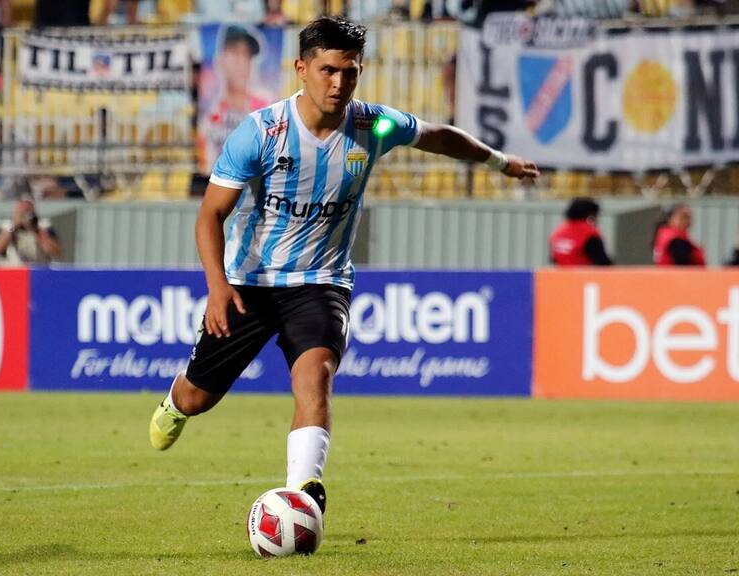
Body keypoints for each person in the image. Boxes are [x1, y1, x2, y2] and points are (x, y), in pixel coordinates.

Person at [149, 15, 539, 514]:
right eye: (329, 70)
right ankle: (173, 404)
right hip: (251, 281)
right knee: (198, 398)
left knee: (316, 376)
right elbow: (210, 216)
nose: (339, 83)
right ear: (301, 69)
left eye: (350, 72)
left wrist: (499, 162)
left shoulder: (371, 126)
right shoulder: (262, 133)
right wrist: (217, 287)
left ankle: (302, 492)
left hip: (321, 280)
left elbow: (438, 136)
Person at [200, 24, 272, 172]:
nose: (241, 61)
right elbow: (207, 165)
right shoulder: (209, 120)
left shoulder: (267, 108)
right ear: (220, 60)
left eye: (246, 54)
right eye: (234, 52)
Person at [0, 196, 62, 265]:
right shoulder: (6, 227)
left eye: (28, 211)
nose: (25, 215)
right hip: (13, 271)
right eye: (22, 212)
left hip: (38, 271)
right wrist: (14, 228)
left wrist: (37, 232)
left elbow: (56, 252)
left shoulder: (44, 226)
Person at [549, 197, 613, 266]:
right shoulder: (589, 233)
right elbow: (602, 262)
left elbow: (554, 258)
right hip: (582, 275)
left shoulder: (558, 232)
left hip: (561, 275)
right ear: (591, 214)